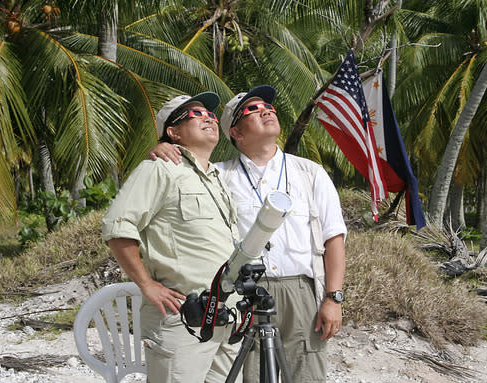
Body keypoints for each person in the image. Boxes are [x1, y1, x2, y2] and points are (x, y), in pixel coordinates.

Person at [149, 85, 347, 383]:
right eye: (252, 110)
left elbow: (333, 238)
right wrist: (159, 149)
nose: (266, 110)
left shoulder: (310, 172)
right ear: (236, 133)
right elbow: (173, 186)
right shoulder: (218, 176)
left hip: (300, 291)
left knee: (307, 375)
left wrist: (333, 298)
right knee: (249, 375)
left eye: (268, 106)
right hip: (243, 293)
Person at [102, 92, 242, 383]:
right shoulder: (158, 169)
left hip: (225, 317)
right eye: (194, 114)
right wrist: (147, 285)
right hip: (182, 318)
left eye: (211, 114)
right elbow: (118, 227)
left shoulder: (217, 179)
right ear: (173, 132)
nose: (208, 117)